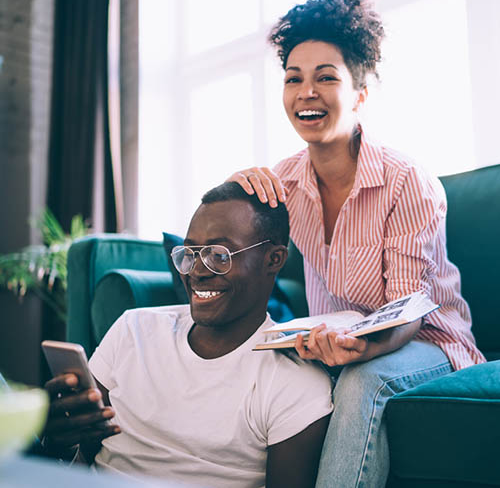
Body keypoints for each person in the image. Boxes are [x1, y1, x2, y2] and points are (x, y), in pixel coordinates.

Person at [227, 0, 486, 487]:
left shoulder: (407, 181)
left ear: (360, 93)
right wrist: (238, 188)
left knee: (360, 382)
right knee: (266, 372)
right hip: (334, 338)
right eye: (293, 79)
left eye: (326, 77)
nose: (307, 92)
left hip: (427, 342)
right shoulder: (282, 183)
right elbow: (226, 242)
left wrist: (357, 354)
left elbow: (409, 310)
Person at [42, 182, 333, 488]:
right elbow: (79, 454)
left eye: (219, 255)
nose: (196, 271)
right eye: (190, 253)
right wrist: (58, 440)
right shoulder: (134, 330)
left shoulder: (294, 382)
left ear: (273, 259)